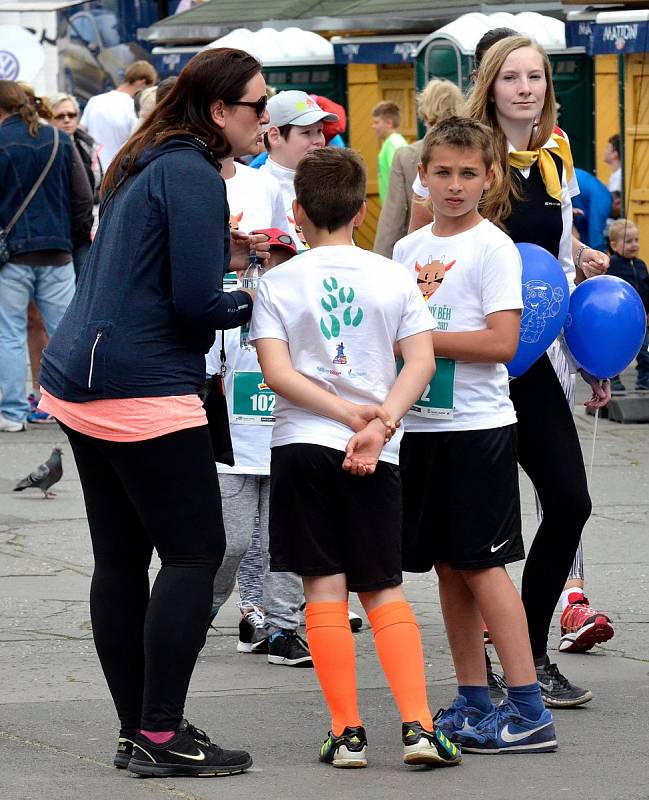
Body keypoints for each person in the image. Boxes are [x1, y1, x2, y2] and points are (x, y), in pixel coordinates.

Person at [37, 48, 272, 778]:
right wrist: (258, 291)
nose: (265, 119)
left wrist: (221, 256)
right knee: (195, 554)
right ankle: (162, 733)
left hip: (78, 379)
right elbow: (194, 306)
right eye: (257, 107)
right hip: (140, 389)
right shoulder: (193, 172)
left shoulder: (148, 159)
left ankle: (136, 728)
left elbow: (149, 266)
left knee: (121, 560)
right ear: (218, 113)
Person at [251, 147, 461, 770]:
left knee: (323, 586)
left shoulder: (277, 282)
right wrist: (378, 422)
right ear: (363, 210)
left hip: (301, 446)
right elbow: (419, 360)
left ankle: (347, 734)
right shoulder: (391, 275)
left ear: (296, 212)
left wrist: (342, 417)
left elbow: (275, 371)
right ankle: (419, 727)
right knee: (384, 587)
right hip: (377, 447)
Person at [394, 116, 556, 754]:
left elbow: (502, 342)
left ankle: (529, 707)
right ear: (423, 178)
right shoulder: (408, 252)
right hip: (422, 430)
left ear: (490, 178)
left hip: (478, 430)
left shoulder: (493, 247)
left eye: (468, 174)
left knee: (485, 567)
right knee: (448, 567)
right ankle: (472, 698)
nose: (455, 185)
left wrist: (422, 342)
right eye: (443, 173)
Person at [465, 36, 612, 699]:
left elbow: (542, 250)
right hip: (479, 362)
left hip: (535, 363)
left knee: (570, 503)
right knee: (486, 528)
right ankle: (496, 671)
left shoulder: (552, 158)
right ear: (489, 85)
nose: (524, 87)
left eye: (535, 77)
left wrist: (577, 255)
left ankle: (525, 651)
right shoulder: (475, 157)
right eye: (511, 77)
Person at [207, 229, 312, 667]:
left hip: (286, 444)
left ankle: (281, 629)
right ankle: (198, 613)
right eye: (265, 262)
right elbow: (208, 377)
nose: (273, 271)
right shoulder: (228, 316)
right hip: (233, 450)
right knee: (228, 543)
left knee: (282, 543)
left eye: (284, 263)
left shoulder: (304, 316)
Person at [0, 80, 93, 433]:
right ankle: (75, 404)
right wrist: (71, 239)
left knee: (9, 334)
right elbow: (83, 198)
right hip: (57, 252)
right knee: (66, 331)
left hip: (12, 256)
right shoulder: (60, 139)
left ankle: (11, 413)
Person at [374, 79, 463, 258]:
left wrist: (380, 262)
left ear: (424, 108)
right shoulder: (473, 153)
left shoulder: (406, 155)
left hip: (420, 255)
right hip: (463, 250)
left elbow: (393, 219)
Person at [259, 90, 338, 247]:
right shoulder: (257, 189)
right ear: (274, 136)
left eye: (320, 131)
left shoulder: (330, 184)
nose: (318, 141)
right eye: (307, 132)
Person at [50, 91, 101, 275]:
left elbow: (97, 186)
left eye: (71, 115)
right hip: (58, 234)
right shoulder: (47, 148)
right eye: (60, 116)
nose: (67, 120)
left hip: (86, 231)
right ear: (49, 118)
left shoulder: (88, 145)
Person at [80, 60, 157, 170]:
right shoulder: (133, 108)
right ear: (142, 83)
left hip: (94, 171)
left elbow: (81, 131)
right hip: (117, 172)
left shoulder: (94, 101)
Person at [607, 219, 649, 393]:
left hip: (641, 318)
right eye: (629, 241)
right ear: (614, 245)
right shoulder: (611, 265)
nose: (634, 245)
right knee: (616, 349)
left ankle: (644, 380)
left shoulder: (641, 265)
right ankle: (613, 380)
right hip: (619, 318)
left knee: (645, 351)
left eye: (636, 240)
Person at [371, 100, 408, 205]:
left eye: (376, 122)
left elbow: (399, 176)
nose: (373, 126)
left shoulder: (393, 143)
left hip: (395, 207)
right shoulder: (393, 141)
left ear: (389, 123)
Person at [572, 167, 612, 253]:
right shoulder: (605, 199)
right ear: (618, 202)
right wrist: (601, 255)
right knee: (575, 237)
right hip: (561, 182)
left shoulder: (597, 192)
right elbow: (595, 230)